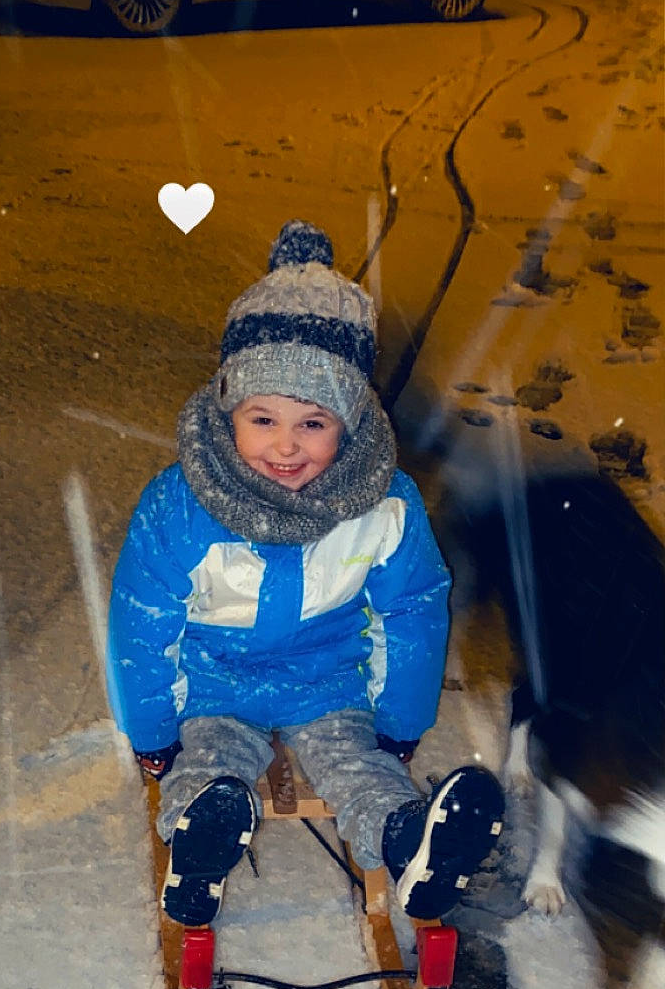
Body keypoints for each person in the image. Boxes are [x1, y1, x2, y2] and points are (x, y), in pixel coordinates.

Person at [107, 220, 503, 928]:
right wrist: (154, 732)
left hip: (328, 684)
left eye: (314, 424)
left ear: (350, 424)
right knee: (210, 763)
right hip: (214, 685)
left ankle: (410, 843)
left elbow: (413, 608)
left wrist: (400, 720)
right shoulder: (180, 506)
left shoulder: (382, 506)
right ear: (229, 411)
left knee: (360, 767)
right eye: (263, 419)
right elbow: (141, 621)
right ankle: (200, 843)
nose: (285, 447)